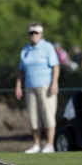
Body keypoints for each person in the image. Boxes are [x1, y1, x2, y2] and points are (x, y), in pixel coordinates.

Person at [15, 22, 60, 154]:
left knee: (48, 115)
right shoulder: (26, 50)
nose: (33, 35)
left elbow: (56, 66)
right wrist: (18, 86)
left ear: (41, 34)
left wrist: (54, 83)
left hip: (45, 87)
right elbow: (21, 70)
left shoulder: (48, 47)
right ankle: (36, 144)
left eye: (36, 33)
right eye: (31, 33)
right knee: (34, 118)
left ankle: (50, 144)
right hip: (30, 87)